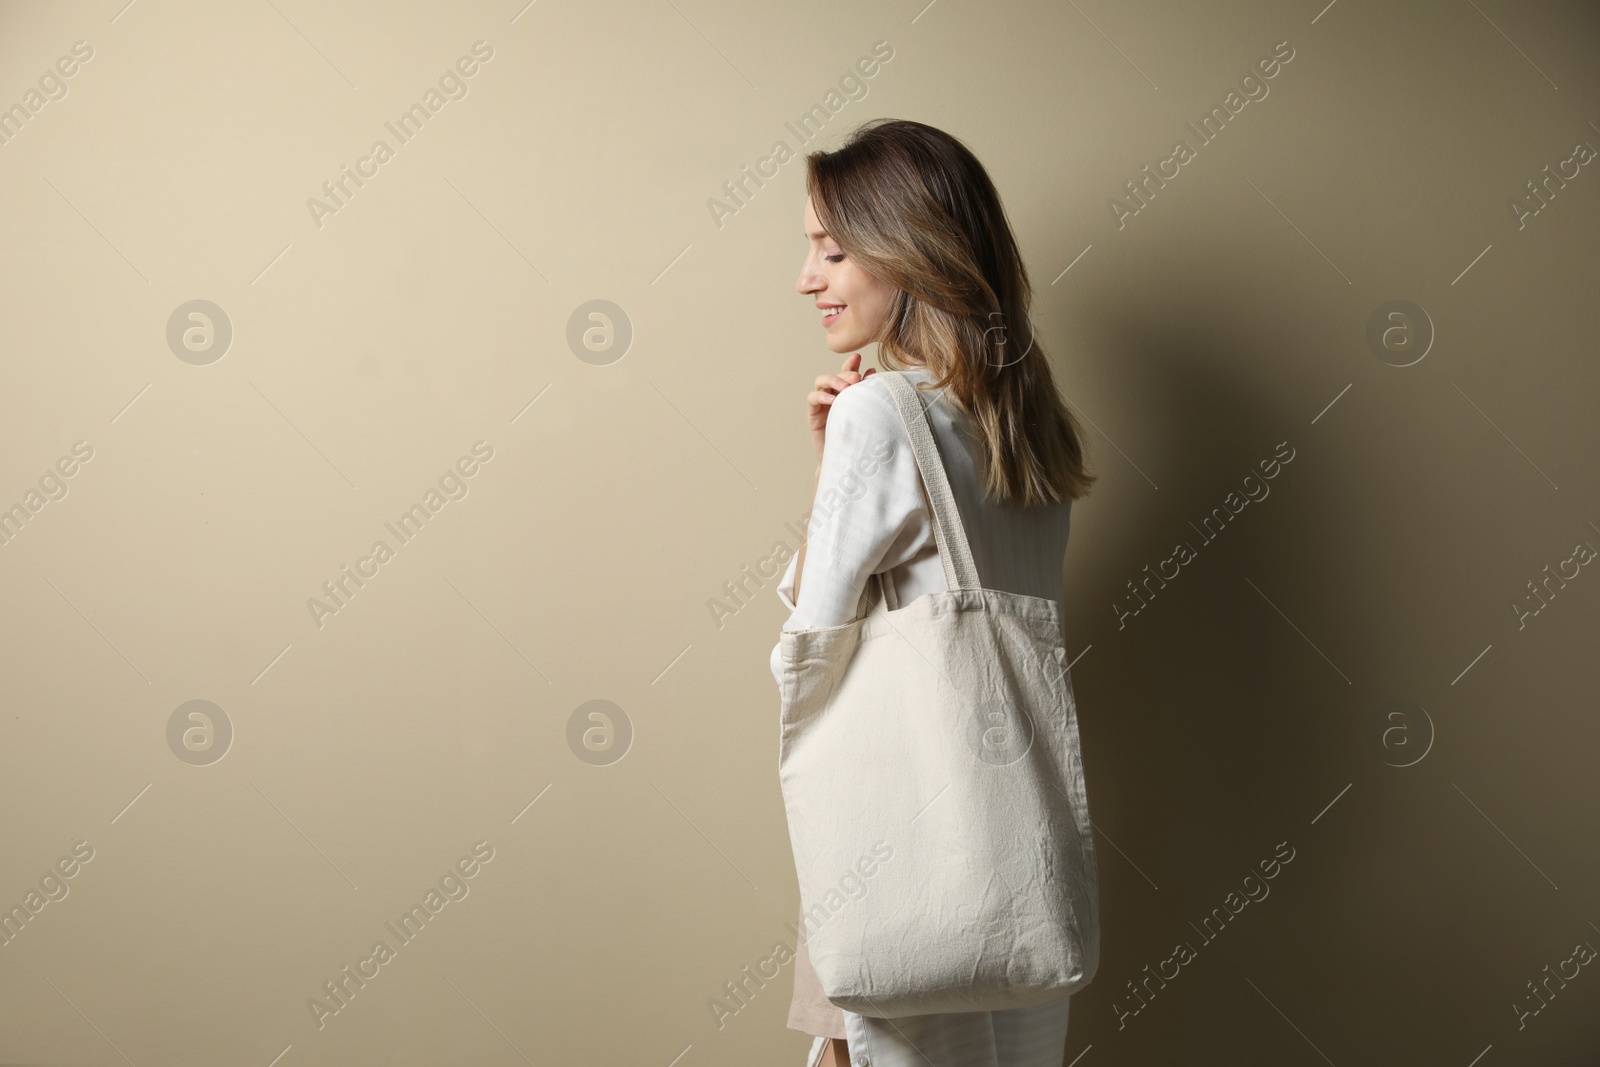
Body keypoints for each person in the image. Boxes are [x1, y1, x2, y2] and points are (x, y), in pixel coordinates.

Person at [770, 118, 1098, 1067]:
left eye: (832, 250)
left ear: (909, 251)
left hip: (909, 860)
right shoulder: (1031, 433)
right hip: (1014, 874)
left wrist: (836, 471)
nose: (807, 277)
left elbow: (806, 646)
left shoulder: (880, 412)